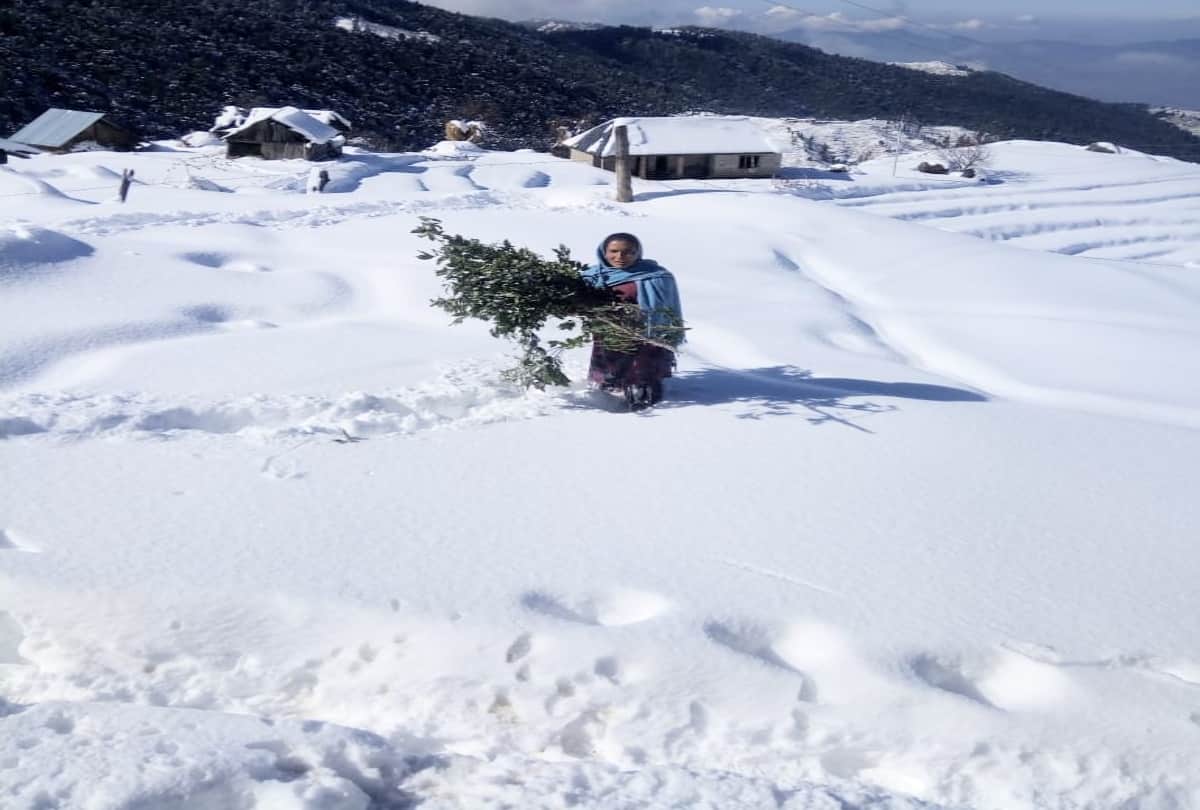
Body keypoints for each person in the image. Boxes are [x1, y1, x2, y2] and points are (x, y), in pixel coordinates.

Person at [581, 232, 684, 408]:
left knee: (642, 379)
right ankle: (608, 401)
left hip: (645, 337)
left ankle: (646, 410)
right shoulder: (591, 276)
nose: (620, 257)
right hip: (609, 334)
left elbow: (668, 309)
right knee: (611, 374)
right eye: (613, 251)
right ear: (603, 252)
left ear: (638, 253)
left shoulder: (657, 276)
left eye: (628, 252)